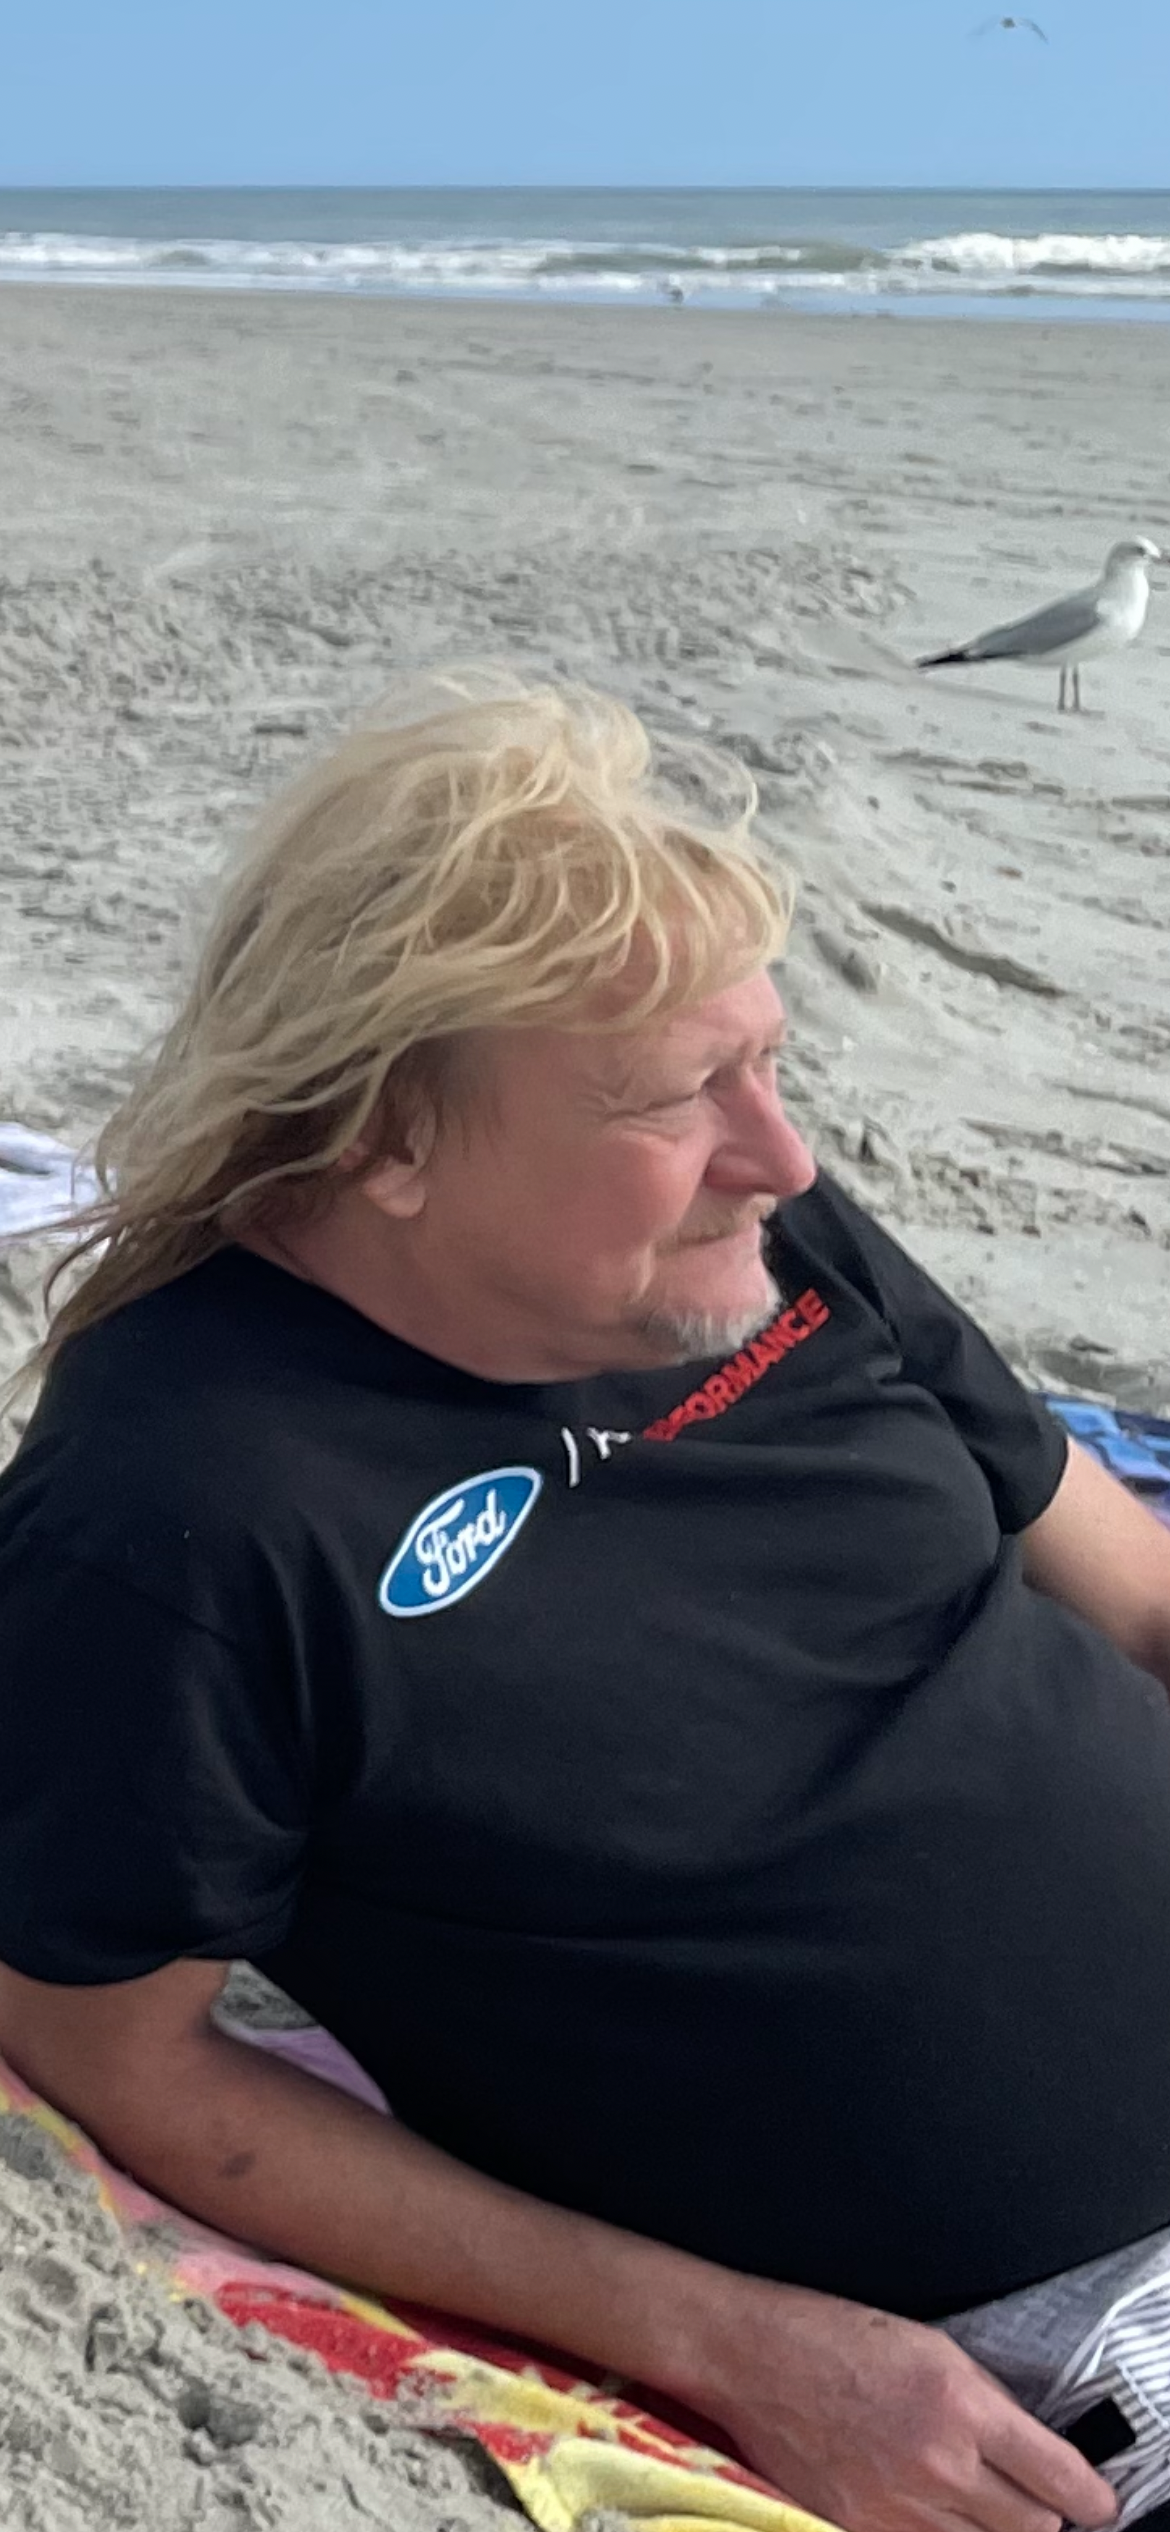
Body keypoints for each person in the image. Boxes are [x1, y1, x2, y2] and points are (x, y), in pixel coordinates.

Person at [0, 677, 1168, 2532]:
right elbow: (120, 2055)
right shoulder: (186, 1510)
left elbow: (1132, 1596)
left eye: (765, 1063)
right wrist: (746, 2349)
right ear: (383, 1136)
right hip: (1067, 2316)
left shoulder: (760, 1241)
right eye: (672, 1097)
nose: (778, 1155)